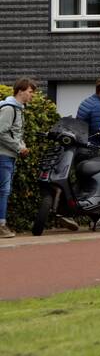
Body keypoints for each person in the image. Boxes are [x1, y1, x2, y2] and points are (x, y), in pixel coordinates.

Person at [0, 78, 37, 238]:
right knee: (3, 191)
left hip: (8, 156)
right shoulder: (9, 109)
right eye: (30, 92)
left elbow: (14, 132)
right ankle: (1, 226)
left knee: (3, 191)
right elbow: (1, 132)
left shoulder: (18, 109)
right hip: (3, 156)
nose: (32, 96)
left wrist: (21, 146)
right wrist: (18, 147)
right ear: (20, 91)